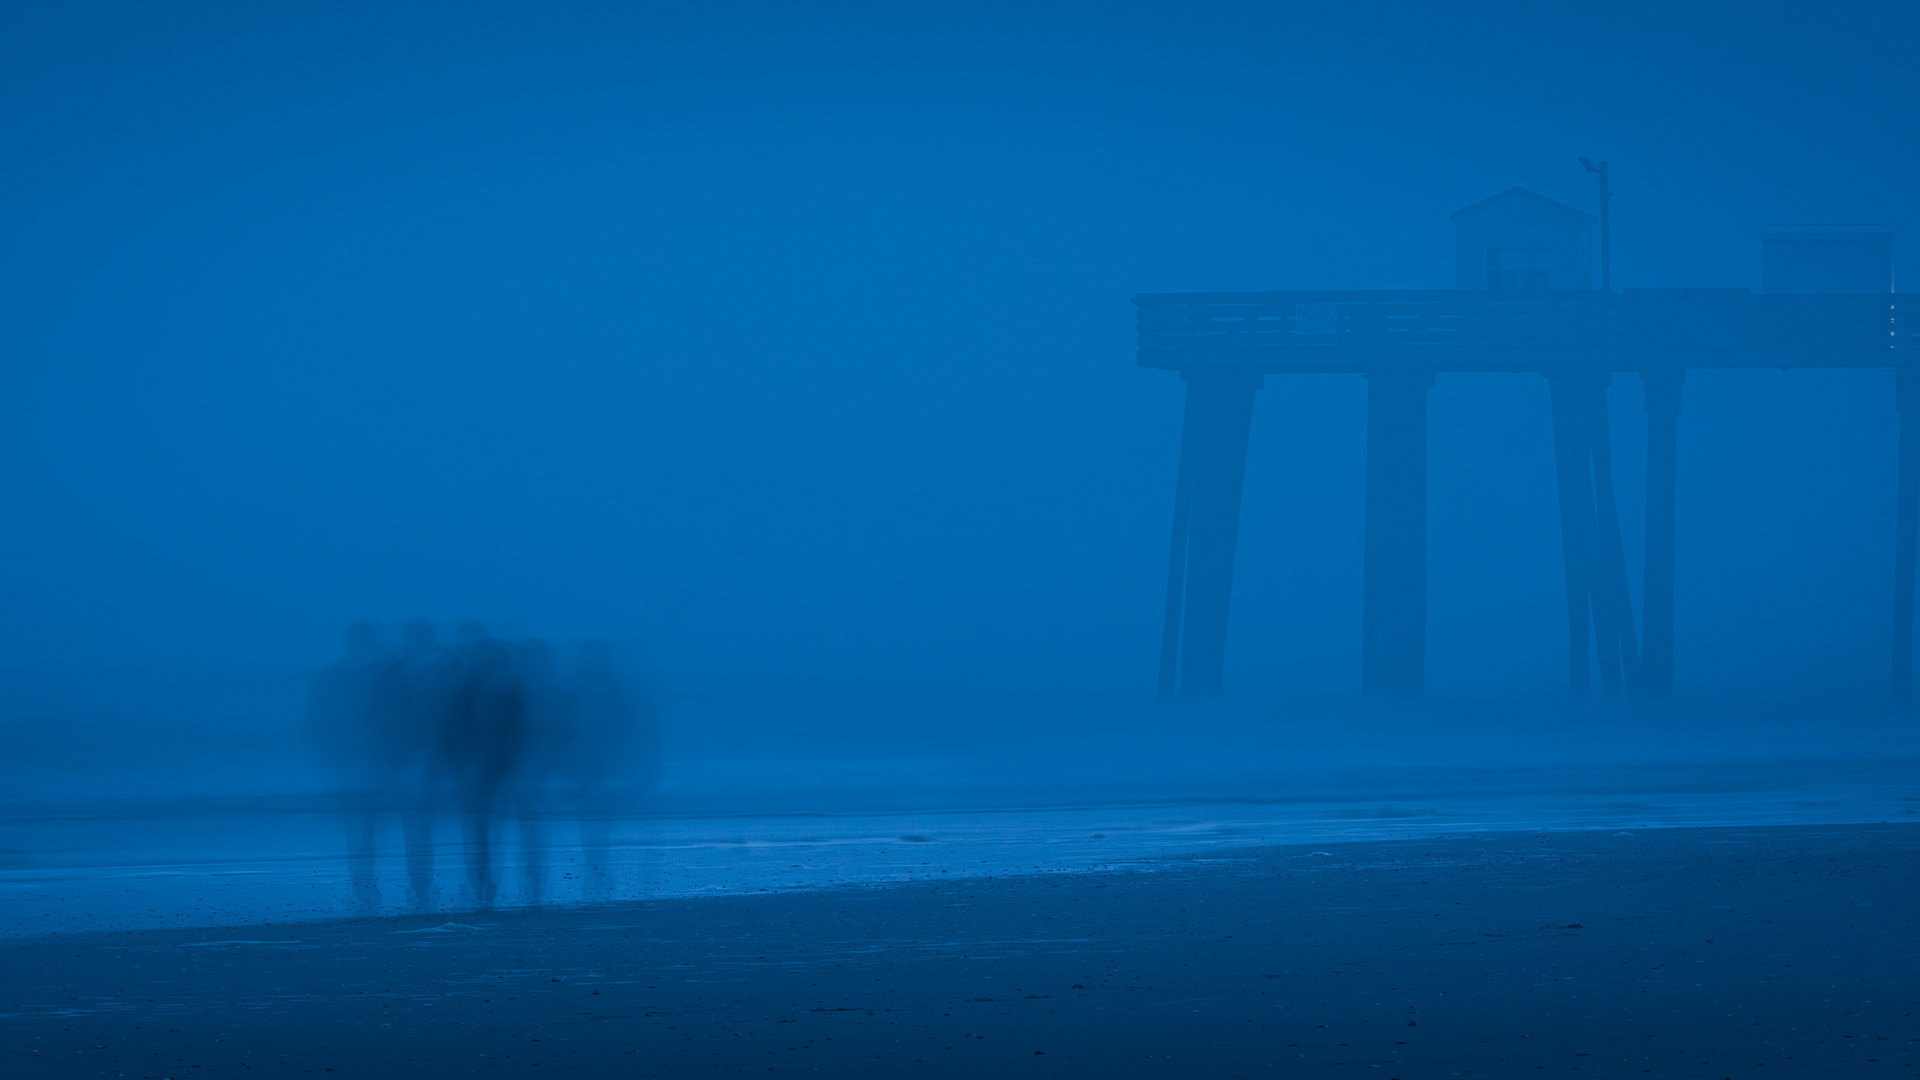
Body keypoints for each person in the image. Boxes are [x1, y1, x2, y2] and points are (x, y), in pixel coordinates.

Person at [305, 621, 404, 909]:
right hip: (365, 761)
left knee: (361, 826)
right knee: (369, 825)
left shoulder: (333, 676)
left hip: (361, 761)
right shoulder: (380, 675)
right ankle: (365, 880)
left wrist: (327, 755)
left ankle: (363, 881)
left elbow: (317, 722)